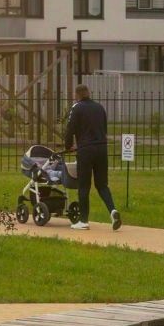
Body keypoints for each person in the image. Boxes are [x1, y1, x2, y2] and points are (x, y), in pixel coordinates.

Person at [63, 84, 121, 232]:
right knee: (102, 185)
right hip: (101, 148)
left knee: (84, 186)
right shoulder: (100, 108)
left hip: (86, 150)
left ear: (77, 95)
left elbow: (70, 129)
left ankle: (83, 221)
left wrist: (68, 145)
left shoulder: (76, 108)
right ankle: (113, 211)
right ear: (88, 93)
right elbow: (104, 129)